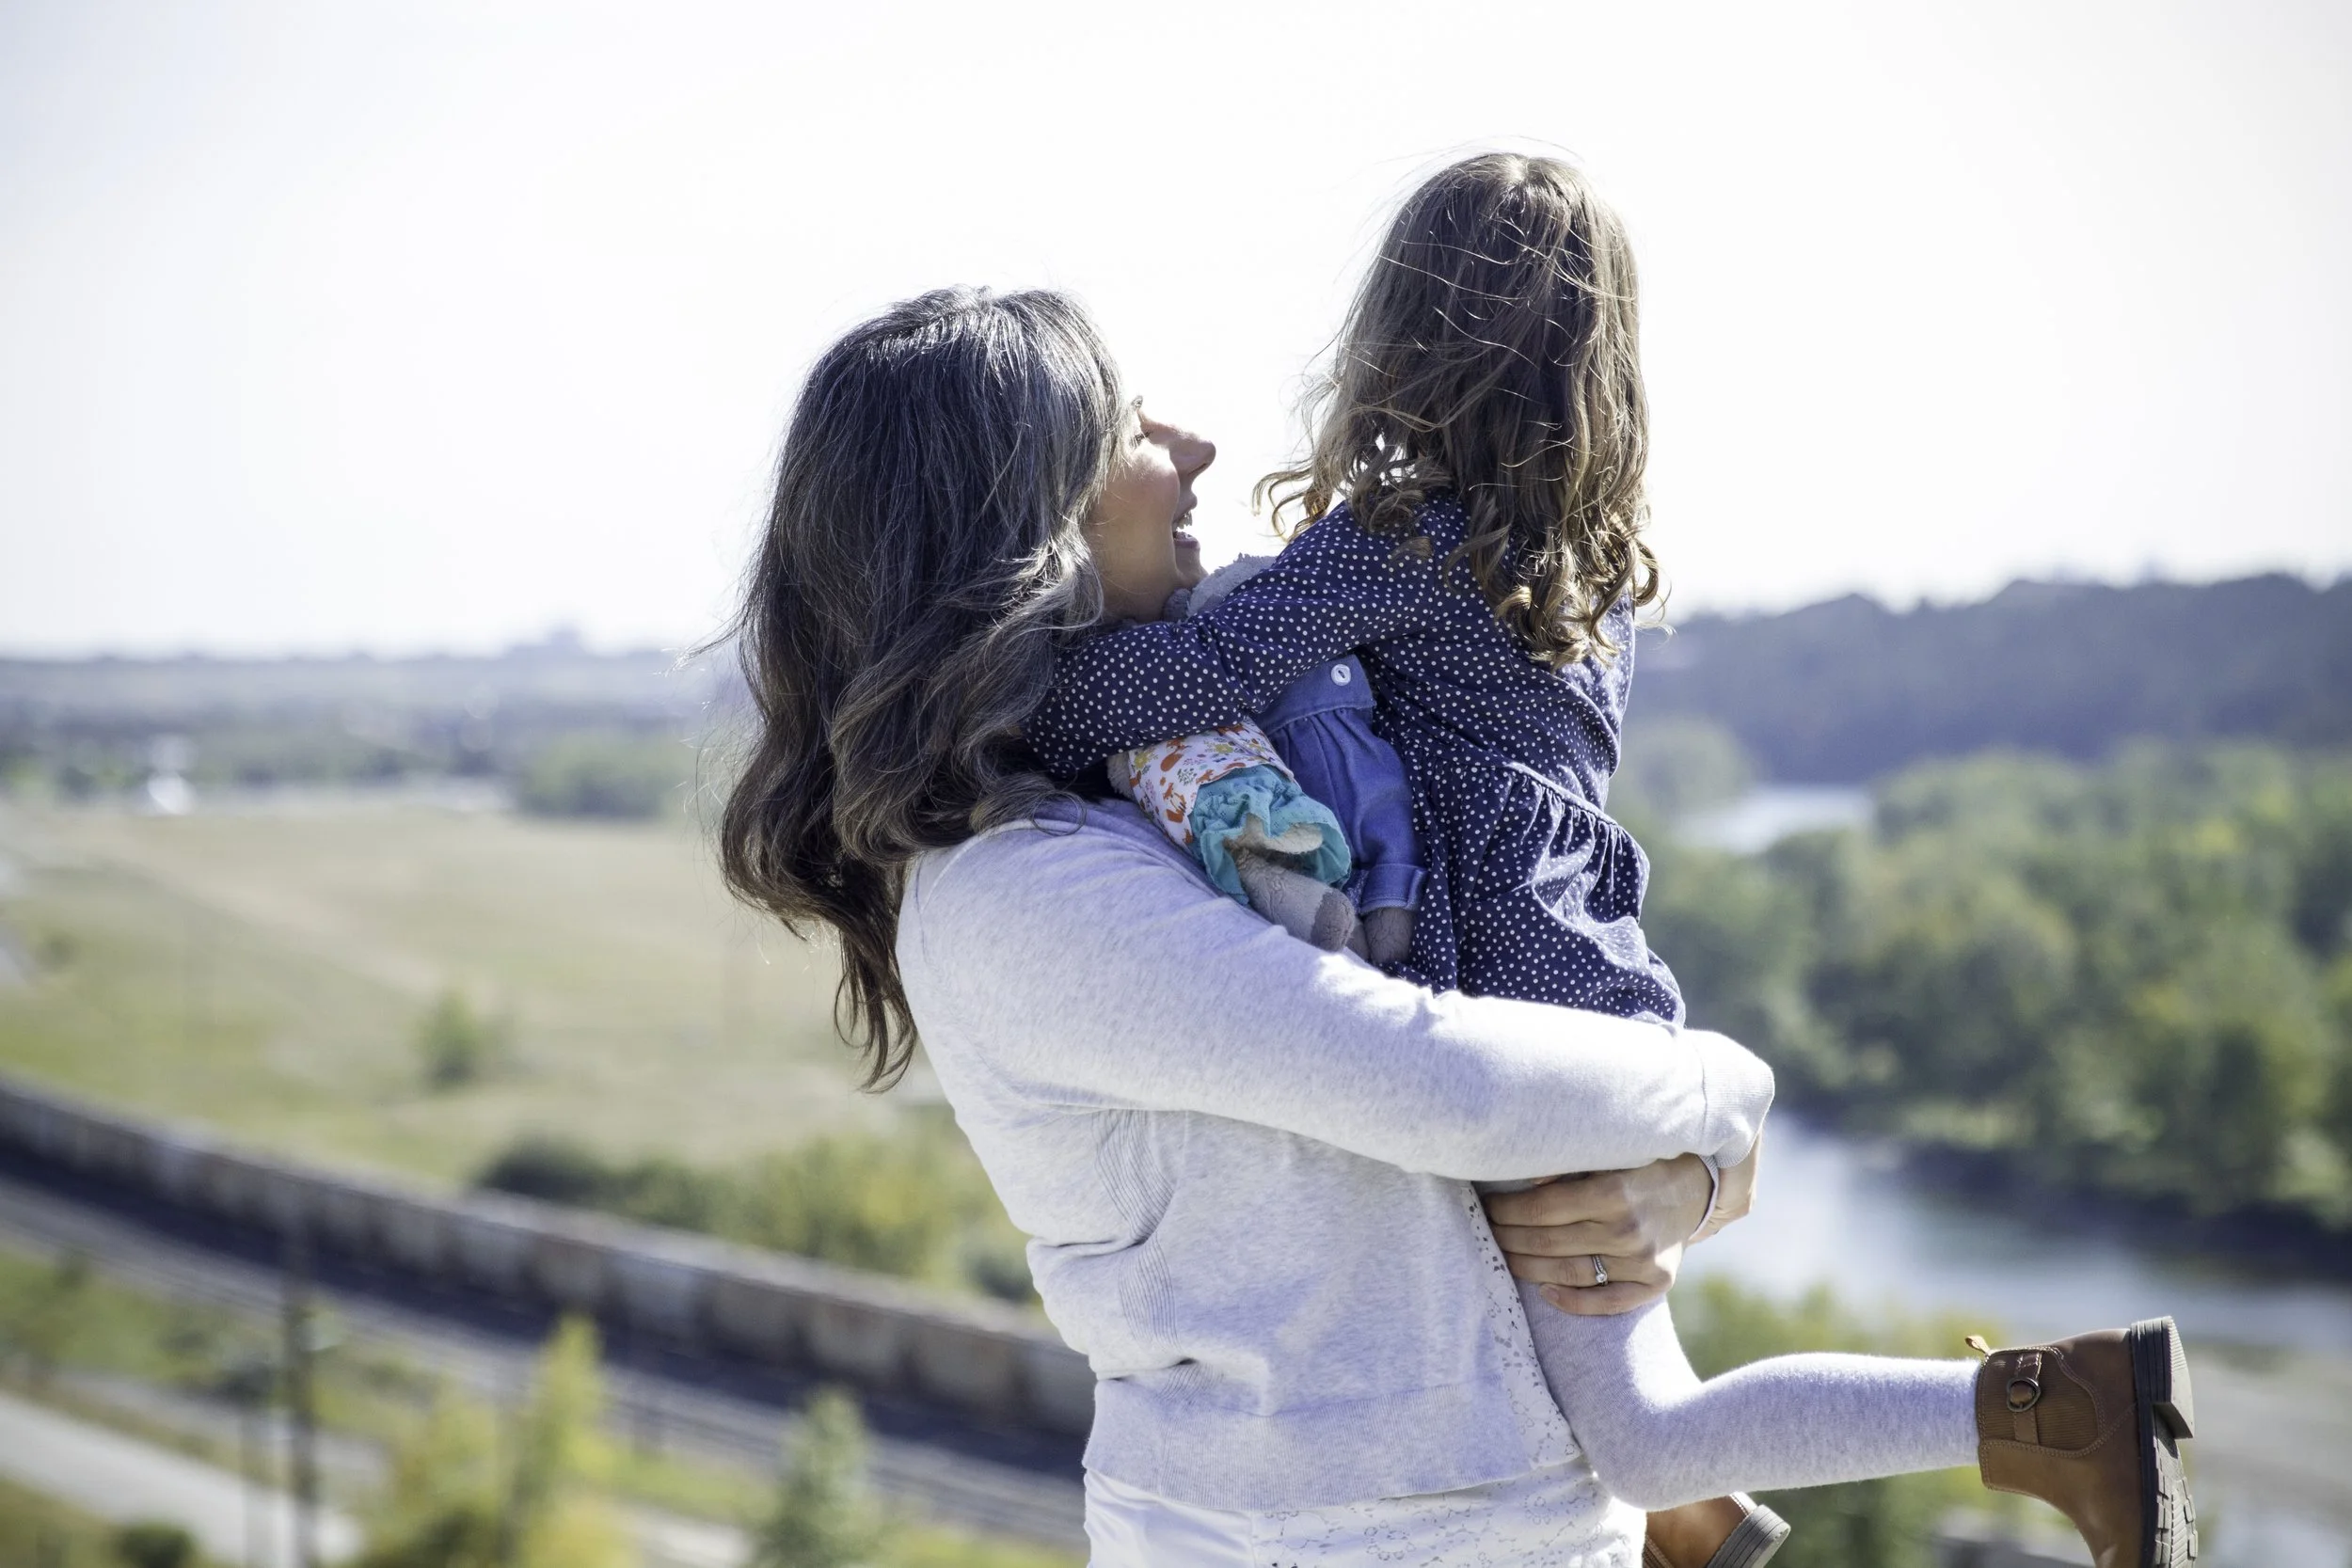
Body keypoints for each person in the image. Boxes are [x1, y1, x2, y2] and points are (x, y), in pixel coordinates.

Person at [1022, 153, 2198, 1568]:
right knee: (1616, 1376)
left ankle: (2055, 1407)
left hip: (1513, 1000)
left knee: (1640, 1423)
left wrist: (1016, 704)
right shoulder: (1587, 567)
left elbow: (1212, 658)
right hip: (1598, 973)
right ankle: (1700, 1518)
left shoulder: (1398, 541)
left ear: (1399, 336)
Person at [720, 284, 1775, 1565]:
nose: (1197, 448)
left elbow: (1468, 1127)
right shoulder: (1025, 894)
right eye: (1134, 425)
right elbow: (1444, 1084)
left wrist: (1685, 1181)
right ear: (1024, 521)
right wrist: (1724, 1090)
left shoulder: (1196, 786)